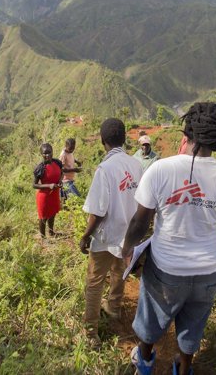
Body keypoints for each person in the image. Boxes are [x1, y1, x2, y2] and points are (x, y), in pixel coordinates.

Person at [122, 102, 216, 375]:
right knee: (193, 324)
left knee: (151, 321)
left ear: (187, 134)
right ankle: (183, 369)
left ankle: (145, 362)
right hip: (207, 270)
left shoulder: (160, 170)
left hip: (166, 268)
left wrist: (127, 249)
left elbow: (139, 222)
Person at [79, 118, 143, 344]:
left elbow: (97, 211)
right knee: (119, 273)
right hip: (129, 235)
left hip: (107, 236)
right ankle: (114, 307)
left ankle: (91, 332)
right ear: (124, 139)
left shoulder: (105, 169)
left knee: (95, 281)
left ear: (102, 140)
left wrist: (86, 236)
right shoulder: (137, 165)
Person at [33, 143, 63, 238]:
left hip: (54, 194)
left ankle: (51, 232)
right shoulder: (40, 168)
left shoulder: (57, 163)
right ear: (41, 154)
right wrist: (49, 185)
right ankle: (43, 237)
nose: (47, 155)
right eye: (45, 153)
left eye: (49, 152)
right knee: (43, 217)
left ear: (52, 152)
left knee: (53, 214)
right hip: (44, 196)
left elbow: (61, 173)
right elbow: (34, 185)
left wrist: (60, 181)